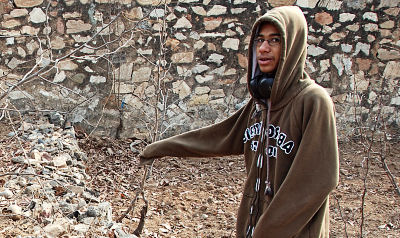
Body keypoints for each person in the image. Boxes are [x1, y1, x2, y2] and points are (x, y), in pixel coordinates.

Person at [139, 6, 339, 238]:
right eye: (259, 40)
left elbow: (316, 181)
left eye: (274, 40)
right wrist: (159, 148)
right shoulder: (261, 102)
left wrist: (266, 232)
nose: (263, 48)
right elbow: (219, 137)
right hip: (252, 226)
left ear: (292, 46)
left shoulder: (313, 101)